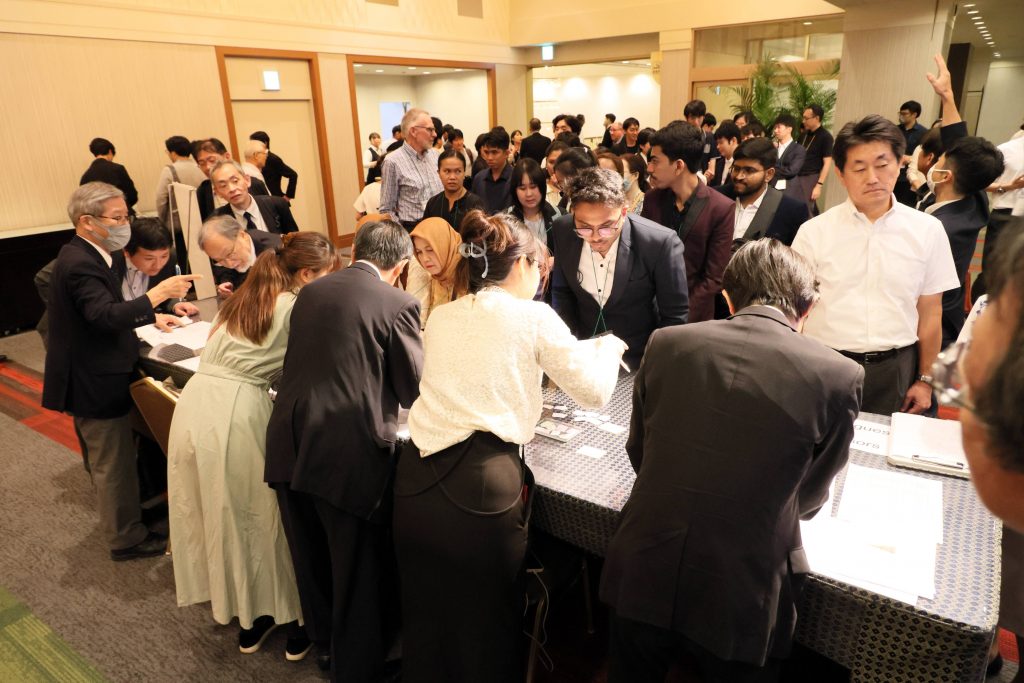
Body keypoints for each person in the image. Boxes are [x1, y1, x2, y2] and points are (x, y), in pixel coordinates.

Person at [601, 238, 863, 683]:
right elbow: (811, 496)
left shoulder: (666, 343)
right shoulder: (839, 374)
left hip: (645, 559)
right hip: (744, 581)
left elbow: (639, 450)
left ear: (728, 297)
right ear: (808, 306)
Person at [394, 210, 627, 683]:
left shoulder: (443, 315)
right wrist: (610, 347)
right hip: (480, 489)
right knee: (485, 623)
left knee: (427, 613)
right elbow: (595, 392)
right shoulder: (533, 316)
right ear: (522, 264)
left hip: (414, 481)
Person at [167, 231, 338, 659]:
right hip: (235, 411)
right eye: (326, 276)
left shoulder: (248, 294)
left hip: (195, 405)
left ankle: (248, 614)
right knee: (265, 517)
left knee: (220, 512)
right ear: (305, 274)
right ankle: (294, 617)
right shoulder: (297, 305)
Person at [265, 219, 423, 682]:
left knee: (309, 553)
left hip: (288, 439)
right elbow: (411, 388)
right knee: (354, 564)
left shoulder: (312, 292)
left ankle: (326, 647)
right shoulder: (399, 302)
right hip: (344, 448)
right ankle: (358, 669)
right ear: (402, 264)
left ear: (355, 251)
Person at [41, 182, 197, 561]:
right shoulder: (81, 263)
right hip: (93, 377)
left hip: (100, 367)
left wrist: (152, 312)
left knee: (119, 455)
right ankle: (125, 539)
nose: (125, 224)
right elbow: (104, 316)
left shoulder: (91, 254)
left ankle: (130, 516)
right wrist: (158, 295)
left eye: (126, 215)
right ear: (87, 221)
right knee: (111, 460)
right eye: (117, 218)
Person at [792, 114, 959, 415]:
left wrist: (925, 379)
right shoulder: (813, 232)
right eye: (859, 168)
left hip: (894, 366)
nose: (873, 177)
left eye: (882, 165)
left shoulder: (927, 230)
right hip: (825, 362)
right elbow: (796, 310)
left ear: (899, 165)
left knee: (884, 455)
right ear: (841, 175)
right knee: (819, 453)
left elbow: (931, 311)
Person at [551, 168, 688, 366]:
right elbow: (562, 293)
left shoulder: (659, 243)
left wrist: (656, 365)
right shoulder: (563, 230)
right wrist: (569, 347)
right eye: (584, 227)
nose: (596, 236)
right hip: (584, 355)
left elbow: (675, 316)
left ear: (624, 212)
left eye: (607, 227)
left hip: (637, 358)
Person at [921, 54, 1006, 346]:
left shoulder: (938, 227)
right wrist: (947, 97)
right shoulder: (975, 197)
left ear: (945, 176)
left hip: (933, 323)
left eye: (941, 158)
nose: (937, 158)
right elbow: (959, 144)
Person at [641, 122, 734, 322]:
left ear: (679, 166)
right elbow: (641, 258)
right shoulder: (652, 200)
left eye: (655, 161)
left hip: (694, 318)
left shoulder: (721, 208)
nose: (649, 168)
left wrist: (678, 314)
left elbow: (713, 279)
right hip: (648, 313)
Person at [714, 138, 810, 247]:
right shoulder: (716, 198)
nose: (739, 176)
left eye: (749, 171)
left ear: (769, 174)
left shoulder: (791, 211)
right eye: (736, 169)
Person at [116, 217, 200, 317]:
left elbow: (163, 295)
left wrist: (176, 304)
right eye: (149, 258)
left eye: (164, 256)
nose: (158, 265)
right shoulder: (110, 264)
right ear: (127, 252)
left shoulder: (170, 258)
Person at [379, 108, 444, 230]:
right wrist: (404, 237)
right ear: (413, 131)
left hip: (440, 225)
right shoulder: (392, 161)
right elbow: (386, 210)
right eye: (430, 129)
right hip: (412, 229)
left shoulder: (435, 155)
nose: (435, 134)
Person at [199, 214, 282, 298]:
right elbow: (223, 269)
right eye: (219, 260)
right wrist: (227, 283)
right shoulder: (226, 250)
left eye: (229, 254)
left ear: (242, 235)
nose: (230, 264)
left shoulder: (279, 253)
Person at [405, 217, 465, 328]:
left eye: (430, 250)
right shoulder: (434, 275)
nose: (425, 258)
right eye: (419, 252)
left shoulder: (468, 276)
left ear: (444, 245)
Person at [211, 160, 299, 234]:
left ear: (247, 180)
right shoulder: (218, 220)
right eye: (223, 186)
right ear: (218, 192)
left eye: (235, 181)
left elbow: (296, 242)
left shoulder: (277, 204)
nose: (232, 189)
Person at [193, 138, 269, 220]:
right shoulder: (203, 190)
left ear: (227, 157)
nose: (207, 167)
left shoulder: (255, 184)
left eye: (212, 160)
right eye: (202, 163)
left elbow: (268, 211)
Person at [155, 135, 206, 234]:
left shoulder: (169, 170)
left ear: (173, 153)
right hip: (202, 220)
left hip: (180, 224)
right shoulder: (200, 168)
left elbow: (160, 199)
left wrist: (162, 220)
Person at [421, 149, 484, 229]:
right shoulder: (432, 203)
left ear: (464, 173)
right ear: (439, 173)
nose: (452, 177)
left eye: (458, 171)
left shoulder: (475, 204)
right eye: (447, 171)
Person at [506, 157, 561, 250]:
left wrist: (556, 260)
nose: (529, 194)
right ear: (514, 190)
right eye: (522, 188)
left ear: (542, 186)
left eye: (533, 187)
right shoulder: (507, 221)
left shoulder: (558, 216)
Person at [790, 104, 834, 216]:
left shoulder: (826, 137)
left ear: (817, 118)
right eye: (803, 117)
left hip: (810, 177)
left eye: (806, 118)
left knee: (807, 210)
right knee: (793, 206)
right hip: (796, 176)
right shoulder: (803, 135)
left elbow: (827, 163)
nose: (803, 121)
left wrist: (819, 185)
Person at [80, 138, 139, 215]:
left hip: (99, 219)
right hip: (122, 216)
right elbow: (132, 195)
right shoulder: (117, 169)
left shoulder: (85, 177)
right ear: (110, 151)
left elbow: (86, 203)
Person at [471, 128, 514, 214]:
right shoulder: (479, 178)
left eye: (494, 152)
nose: (489, 157)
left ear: (506, 153)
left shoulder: (516, 177)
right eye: (486, 152)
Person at [249, 131, 298, 203]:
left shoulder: (273, 159)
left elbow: (293, 175)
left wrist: (288, 196)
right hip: (262, 201)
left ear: (265, 143)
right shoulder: (254, 159)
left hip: (275, 200)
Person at [895, 100, 928, 206]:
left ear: (914, 114)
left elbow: (924, 155)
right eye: (900, 113)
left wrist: (910, 158)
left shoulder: (923, 132)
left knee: (905, 205)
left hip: (909, 176)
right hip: (893, 173)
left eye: (904, 114)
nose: (901, 116)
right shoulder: (895, 130)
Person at [770, 114, 806, 192]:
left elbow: (791, 171)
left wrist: (772, 170)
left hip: (789, 190)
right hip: (770, 188)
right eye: (775, 127)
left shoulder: (799, 149)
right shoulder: (771, 148)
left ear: (789, 129)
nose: (775, 130)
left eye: (779, 127)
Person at [683, 101, 717, 172]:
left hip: (704, 178)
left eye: (699, 117)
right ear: (686, 118)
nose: (696, 121)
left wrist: (708, 175)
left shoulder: (710, 137)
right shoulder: (682, 137)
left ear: (703, 117)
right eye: (692, 117)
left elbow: (712, 165)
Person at [707, 121, 740, 188]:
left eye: (721, 142)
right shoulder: (719, 163)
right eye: (717, 143)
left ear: (733, 141)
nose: (718, 146)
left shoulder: (741, 163)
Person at [543, 140, 569, 207]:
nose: (555, 166)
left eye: (560, 162)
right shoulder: (539, 189)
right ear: (546, 163)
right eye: (551, 162)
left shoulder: (575, 189)